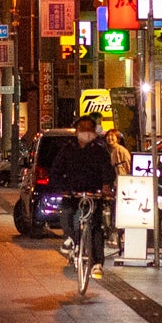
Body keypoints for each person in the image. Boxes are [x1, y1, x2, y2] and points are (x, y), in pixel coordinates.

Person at [44, 110, 114, 267]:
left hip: (94, 193)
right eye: (83, 129)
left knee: (96, 225)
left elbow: (108, 170)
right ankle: (70, 240)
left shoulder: (100, 150)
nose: (86, 133)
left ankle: (97, 263)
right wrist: (60, 187)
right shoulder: (68, 149)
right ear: (77, 131)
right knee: (67, 213)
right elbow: (56, 170)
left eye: (89, 129)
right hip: (72, 192)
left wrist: (106, 185)